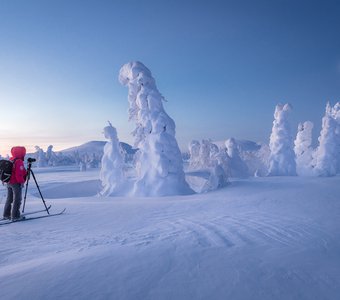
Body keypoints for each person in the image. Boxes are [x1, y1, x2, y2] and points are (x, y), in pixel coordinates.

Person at [3, 146, 27, 220]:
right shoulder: (19, 161)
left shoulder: (11, 159)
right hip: (15, 183)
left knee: (9, 199)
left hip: (9, 182)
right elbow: (18, 174)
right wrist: (22, 182)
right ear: (21, 153)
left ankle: (6, 215)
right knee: (17, 199)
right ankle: (15, 216)